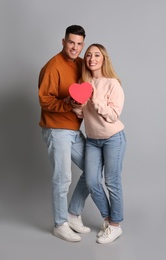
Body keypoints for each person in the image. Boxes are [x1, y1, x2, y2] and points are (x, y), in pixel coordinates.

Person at [38, 25, 90, 242]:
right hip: (56, 129)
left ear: (82, 44)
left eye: (79, 44)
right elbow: (45, 100)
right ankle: (60, 224)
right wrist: (68, 104)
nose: (74, 47)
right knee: (63, 179)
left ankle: (73, 214)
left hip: (74, 130)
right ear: (63, 42)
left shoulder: (80, 64)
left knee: (93, 169)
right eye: (71, 42)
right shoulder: (52, 66)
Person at [73, 43, 126, 244]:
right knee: (92, 181)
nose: (92, 59)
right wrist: (77, 106)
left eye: (96, 55)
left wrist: (96, 101)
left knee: (112, 182)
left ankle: (115, 226)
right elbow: (82, 114)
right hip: (93, 141)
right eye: (88, 55)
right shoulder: (82, 83)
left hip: (114, 139)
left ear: (103, 58)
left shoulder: (112, 83)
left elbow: (113, 115)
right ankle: (108, 219)